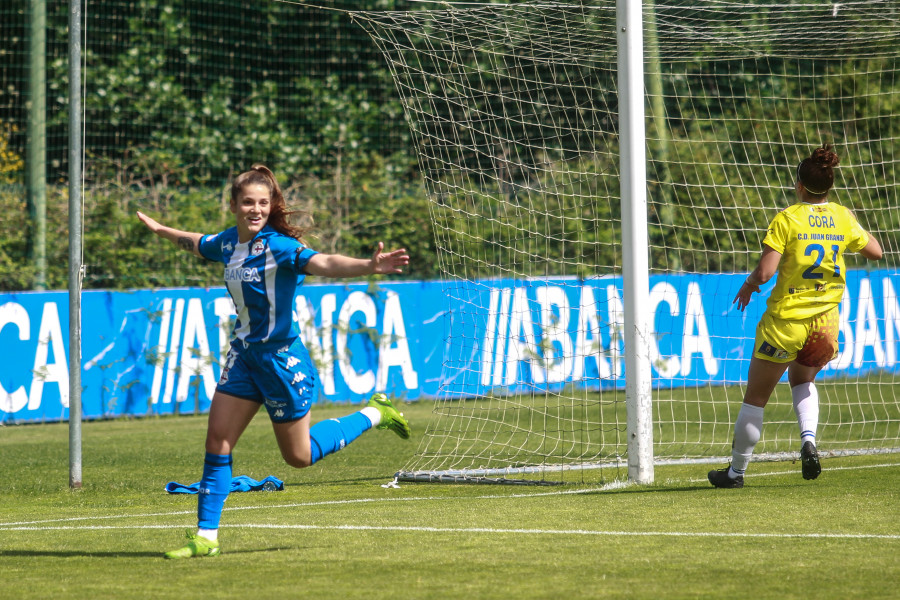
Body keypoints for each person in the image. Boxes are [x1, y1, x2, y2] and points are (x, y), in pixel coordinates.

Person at [137, 164, 412, 557]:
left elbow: (325, 262)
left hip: (282, 362)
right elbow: (196, 241)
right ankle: (205, 538)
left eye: (263, 203)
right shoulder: (227, 243)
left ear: (270, 207)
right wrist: (162, 230)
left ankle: (374, 413)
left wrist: (368, 266)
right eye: (248, 201)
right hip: (245, 358)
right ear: (233, 204)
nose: (256, 209)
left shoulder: (279, 247)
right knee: (218, 440)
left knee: (298, 457)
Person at [708, 144, 883, 489]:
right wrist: (845, 231)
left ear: (799, 185)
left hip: (786, 322)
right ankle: (808, 441)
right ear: (829, 187)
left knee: (757, 397)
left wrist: (747, 285)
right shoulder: (842, 216)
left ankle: (736, 473)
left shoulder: (787, 219)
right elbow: (876, 251)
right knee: (803, 381)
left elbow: (765, 273)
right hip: (825, 324)